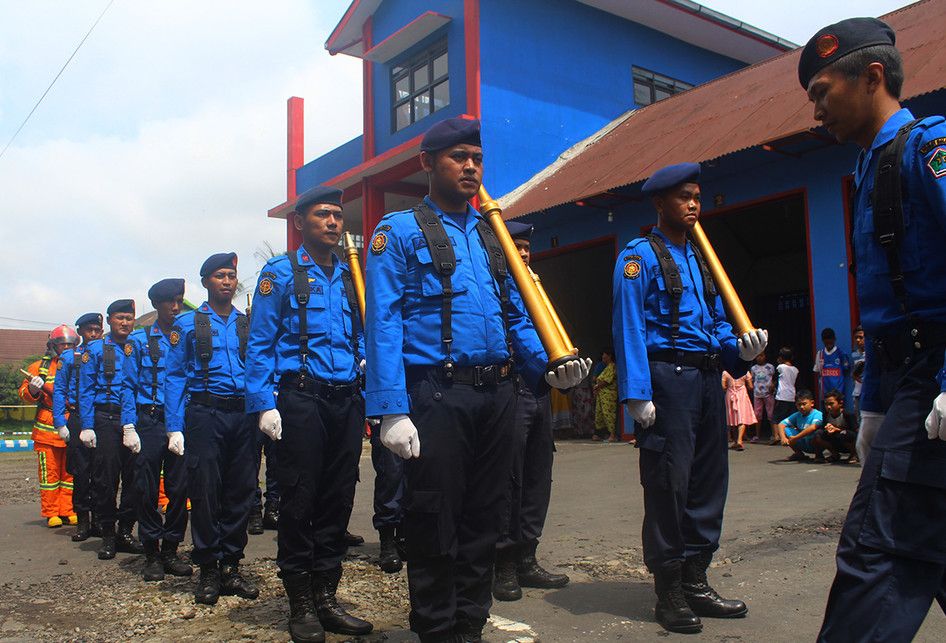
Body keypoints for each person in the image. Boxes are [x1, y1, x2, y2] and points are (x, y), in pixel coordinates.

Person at [364, 116, 591, 643]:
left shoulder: (492, 236)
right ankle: (437, 628)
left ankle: (471, 623)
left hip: (500, 394)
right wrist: (390, 408)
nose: (470, 167)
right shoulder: (396, 232)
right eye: (457, 157)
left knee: (484, 518)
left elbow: (514, 315)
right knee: (435, 519)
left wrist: (548, 365)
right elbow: (383, 323)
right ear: (427, 163)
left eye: (477, 159)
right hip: (437, 394)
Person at [798, 17, 946, 640]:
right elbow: (889, 310)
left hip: (935, 376)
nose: (816, 111)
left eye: (823, 92)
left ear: (874, 76)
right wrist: (875, 408)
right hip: (905, 379)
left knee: (878, 553)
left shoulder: (926, 149)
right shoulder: (869, 168)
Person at [613, 162, 767, 633]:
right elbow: (629, 326)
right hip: (667, 379)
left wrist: (739, 349)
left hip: (705, 379)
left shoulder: (701, 259)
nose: (694, 204)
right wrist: (636, 393)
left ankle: (697, 579)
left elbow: (715, 321)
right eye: (684, 197)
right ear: (660, 204)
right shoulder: (637, 257)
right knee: (667, 483)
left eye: (698, 196)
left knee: (707, 480)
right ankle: (670, 590)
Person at [245, 185, 373, 641]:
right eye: (322, 214)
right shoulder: (280, 274)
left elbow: (363, 333)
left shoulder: (349, 274)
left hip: (345, 399)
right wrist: (263, 404)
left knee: (337, 498)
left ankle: (327, 598)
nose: (334, 222)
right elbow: (259, 344)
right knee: (299, 500)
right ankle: (300, 604)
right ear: (301, 223)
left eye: (338, 215)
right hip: (300, 400)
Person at [165, 253, 258, 606]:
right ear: (205, 281)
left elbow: (261, 367)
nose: (227, 282)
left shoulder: (246, 323)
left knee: (241, 491)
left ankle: (231, 566)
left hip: (243, 415)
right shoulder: (187, 324)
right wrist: (175, 427)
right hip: (205, 413)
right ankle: (208, 568)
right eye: (220, 275)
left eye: (232, 276)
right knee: (205, 492)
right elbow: (174, 377)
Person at [493, 221, 570, 604]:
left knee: (539, 474)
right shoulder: (496, 284)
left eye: (526, 247)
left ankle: (527, 557)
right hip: (508, 388)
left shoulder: (533, 286)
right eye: (516, 246)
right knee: (509, 478)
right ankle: (503, 564)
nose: (522, 253)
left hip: (538, 389)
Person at [121, 279, 192, 581]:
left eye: (178, 301)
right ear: (156, 305)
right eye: (169, 302)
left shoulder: (188, 335)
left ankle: (171, 550)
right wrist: (128, 425)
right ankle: (151, 552)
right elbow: (126, 385)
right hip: (148, 420)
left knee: (179, 489)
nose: (175, 307)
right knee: (145, 487)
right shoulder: (138, 340)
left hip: (180, 420)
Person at [78, 300, 144, 559]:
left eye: (129, 318)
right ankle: (107, 534)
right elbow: (84, 389)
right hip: (105, 418)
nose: (125, 323)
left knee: (136, 478)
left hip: (135, 420)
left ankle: (126, 531)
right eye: (120, 318)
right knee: (106, 480)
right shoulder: (95, 350)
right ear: (109, 321)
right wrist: (86, 425)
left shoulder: (137, 346)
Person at [19, 324, 80, 528]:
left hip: (71, 424)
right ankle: (51, 512)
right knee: (49, 475)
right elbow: (24, 395)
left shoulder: (80, 364)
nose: (66, 347)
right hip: (46, 431)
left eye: (70, 344)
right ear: (53, 345)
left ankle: (68, 509)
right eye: (62, 343)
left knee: (70, 473)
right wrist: (34, 390)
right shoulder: (38, 367)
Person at [53, 312, 103, 541]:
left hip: (101, 417)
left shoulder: (107, 353)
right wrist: (60, 423)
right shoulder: (70, 357)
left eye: (97, 330)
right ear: (80, 332)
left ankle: (100, 520)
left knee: (102, 472)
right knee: (81, 472)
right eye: (89, 330)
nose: (94, 334)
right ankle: (83, 521)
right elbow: (59, 390)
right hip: (78, 417)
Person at [811, 389, 859, 464]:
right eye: (826, 404)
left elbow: (855, 432)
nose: (828, 407)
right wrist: (827, 429)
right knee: (817, 434)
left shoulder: (848, 415)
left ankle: (854, 454)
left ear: (840, 403)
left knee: (844, 434)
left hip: (847, 441)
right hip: (835, 441)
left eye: (831, 404)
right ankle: (831, 454)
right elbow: (823, 428)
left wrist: (837, 429)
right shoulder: (826, 414)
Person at [777, 390, 824, 463]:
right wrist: (783, 438)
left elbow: (813, 427)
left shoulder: (817, 414)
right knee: (785, 430)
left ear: (812, 403)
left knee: (817, 434)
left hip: (814, 443)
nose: (802, 407)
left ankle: (819, 455)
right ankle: (799, 454)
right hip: (803, 442)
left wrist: (796, 437)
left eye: (804, 404)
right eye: (799, 404)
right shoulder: (797, 415)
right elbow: (781, 424)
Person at [813, 328, 850, 406]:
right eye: (826, 339)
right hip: (825, 393)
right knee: (826, 415)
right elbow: (817, 372)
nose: (828, 341)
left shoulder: (841, 354)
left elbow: (846, 369)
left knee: (838, 416)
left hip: (838, 393)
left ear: (834, 339)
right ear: (823, 340)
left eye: (830, 339)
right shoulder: (820, 354)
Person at [771, 347, 799, 445]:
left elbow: (774, 381)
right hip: (791, 395)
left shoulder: (780, 367)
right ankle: (789, 435)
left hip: (782, 395)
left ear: (781, 358)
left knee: (775, 417)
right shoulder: (795, 369)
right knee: (790, 417)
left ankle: (776, 436)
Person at [722, 370, 755, 451]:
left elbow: (723, 386)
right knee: (742, 417)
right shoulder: (745, 372)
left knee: (733, 418)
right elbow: (750, 386)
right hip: (742, 394)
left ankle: (735, 440)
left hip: (730, 395)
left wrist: (730, 387)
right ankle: (739, 440)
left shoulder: (726, 372)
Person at [593, 348, 619, 442]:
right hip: (601, 394)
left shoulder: (612, 366)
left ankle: (612, 435)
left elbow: (608, 380)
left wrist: (597, 386)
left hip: (609, 395)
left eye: (605, 356)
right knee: (599, 415)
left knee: (609, 414)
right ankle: (600, 434)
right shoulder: (606, 367)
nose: (603, 358)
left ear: (609, 356)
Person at [749, 351, 775, 442]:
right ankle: (757, 435)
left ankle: (774, 434)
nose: (759, 358)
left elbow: (774, 378)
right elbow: (752, 380)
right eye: (757, 356)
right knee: (757, 415)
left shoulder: (770, 367)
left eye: (761, 355)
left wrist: (773, 385)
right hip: (757, 394)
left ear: (765, 356)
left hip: (768, 393)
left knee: (770, 414)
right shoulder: (753, 368)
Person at [849, 325, 866, 415]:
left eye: (861, 337)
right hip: (857, 393)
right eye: (856, 338)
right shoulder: (853, 355)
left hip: (869, 391)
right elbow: (852, 375)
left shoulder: (871, 354)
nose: (858, 340)